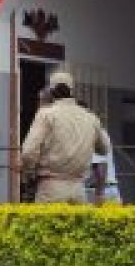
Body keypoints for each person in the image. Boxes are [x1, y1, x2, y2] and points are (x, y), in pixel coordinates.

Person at [20, 69, 112, 204]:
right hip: (78, 189)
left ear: (51, 92)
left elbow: (28, 152)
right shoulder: (90, 117)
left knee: (47, 225)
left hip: (51, 187)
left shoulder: (46, 114)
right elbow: (105, 149)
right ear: (71, 91)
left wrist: (28, 173)